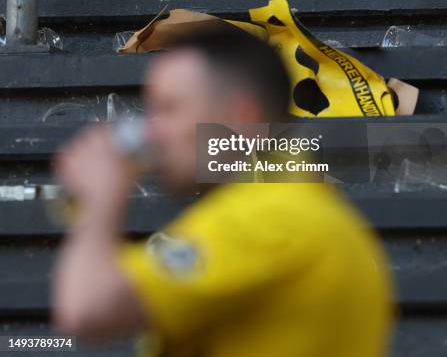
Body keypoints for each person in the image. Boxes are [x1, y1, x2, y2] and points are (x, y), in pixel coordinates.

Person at [52, 28, 394, 357]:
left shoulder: (268, 220)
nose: (151, 132)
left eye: (169, 109)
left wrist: (102, 199)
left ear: (240, 118)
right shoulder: (305, 212)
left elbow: (89, 306)